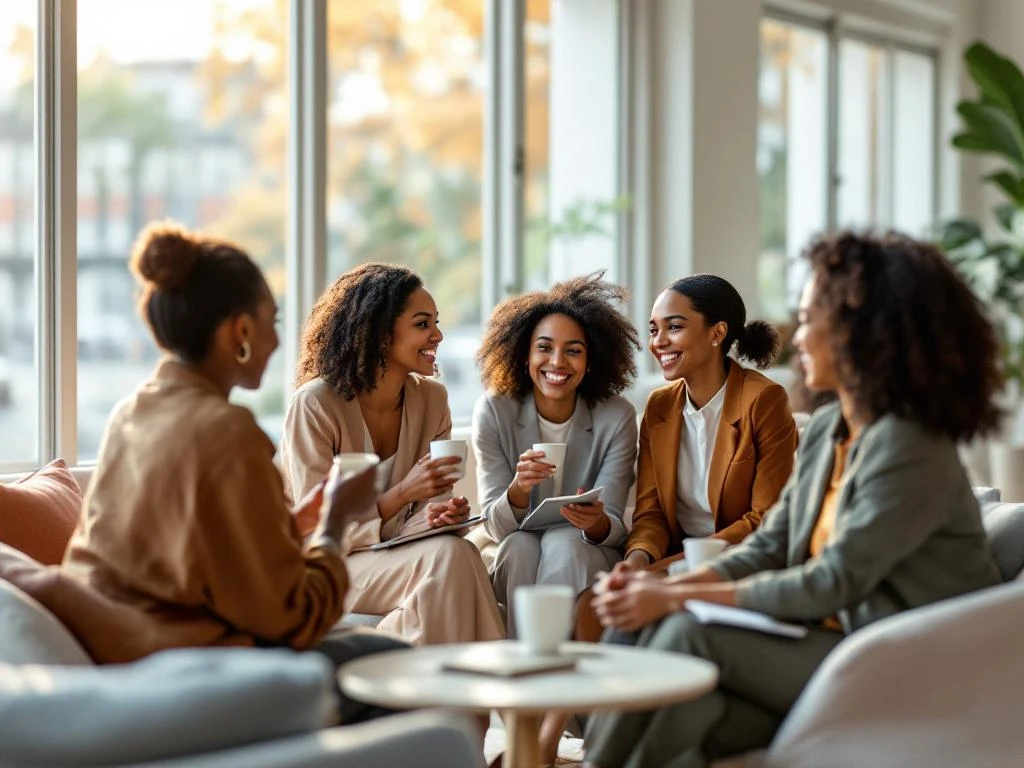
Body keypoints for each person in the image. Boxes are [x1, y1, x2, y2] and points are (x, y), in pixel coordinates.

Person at [582, 231, 1004, 768]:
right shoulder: (832, 426)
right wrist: (662, 584)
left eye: (809, 319)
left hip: (898, 658)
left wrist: (676, 598)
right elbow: (773, 543)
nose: (797, 337)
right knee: (688, 710)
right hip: (831, 643)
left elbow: (835, 582)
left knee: (687, 632)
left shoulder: (908, 443)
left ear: (862, 331)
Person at [61, 223, 404, 723]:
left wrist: (296, 524)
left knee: (370, 647)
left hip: (125, 649)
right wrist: (334, 523)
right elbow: (295, 618)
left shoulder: (131, 413)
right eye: (273, 319)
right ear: (240, 331)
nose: (278, 338)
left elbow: (185, 546)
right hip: (198, 663)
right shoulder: (229, 432)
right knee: (402, 667)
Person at [278, 263, 504, 646]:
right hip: (321, 563)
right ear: (381, 334)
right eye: (422, 324)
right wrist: (401, 495)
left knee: (457, 550)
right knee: (449, 559)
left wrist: (439, 516)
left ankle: (425, 681)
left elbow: (425, 514)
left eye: (436, 322)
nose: (438, 335)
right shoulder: (315, 404)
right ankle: (498, 696)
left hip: (395, 556)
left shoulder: (432, 399)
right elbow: (318, 524)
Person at [473, 273, 641, 637]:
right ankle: (524, 658)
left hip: (583, 550)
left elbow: (611, 524)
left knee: (562, 540)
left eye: (574, 351)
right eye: (544, 347)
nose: (557, 361)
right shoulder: (494, 410)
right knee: (518, 546)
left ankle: (553, 656)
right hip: (515, 546)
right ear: (525, 355)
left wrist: (594, 522)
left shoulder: (617, 416)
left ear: (591, 361)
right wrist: (518, 489)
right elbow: (495, 526)